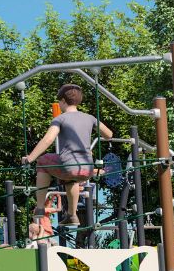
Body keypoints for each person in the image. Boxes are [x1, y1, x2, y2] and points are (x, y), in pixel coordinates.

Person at [22, 84, 114, 226]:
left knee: (42, 161)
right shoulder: (90, 118)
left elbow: (48, 139)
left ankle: (40, 207)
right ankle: (72, 214)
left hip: (68, 166)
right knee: (71, 180)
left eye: (59, 102)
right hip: (87, 169)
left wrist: (30, 158)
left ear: (63, 101)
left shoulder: (60, 119)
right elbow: (109, 135)